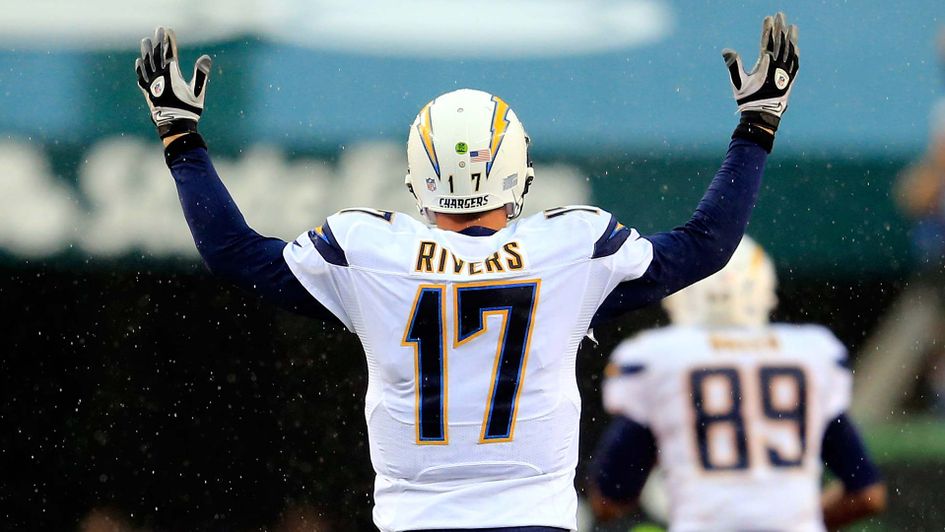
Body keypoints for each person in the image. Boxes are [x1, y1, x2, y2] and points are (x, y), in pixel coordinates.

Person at [134, 13, 798, 532]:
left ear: (417, 177)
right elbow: (703, 245)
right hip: (531, 517)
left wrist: (181, 139)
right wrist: (755, 127)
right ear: (519, 171)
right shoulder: (568, 246)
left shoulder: (369, 250)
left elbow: (233, 252)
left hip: (415, 519)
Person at [589, 237, 887, 531]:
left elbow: (609, 499)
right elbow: (867, 495)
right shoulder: (811, 353)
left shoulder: (660, 359)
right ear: (764, 291)